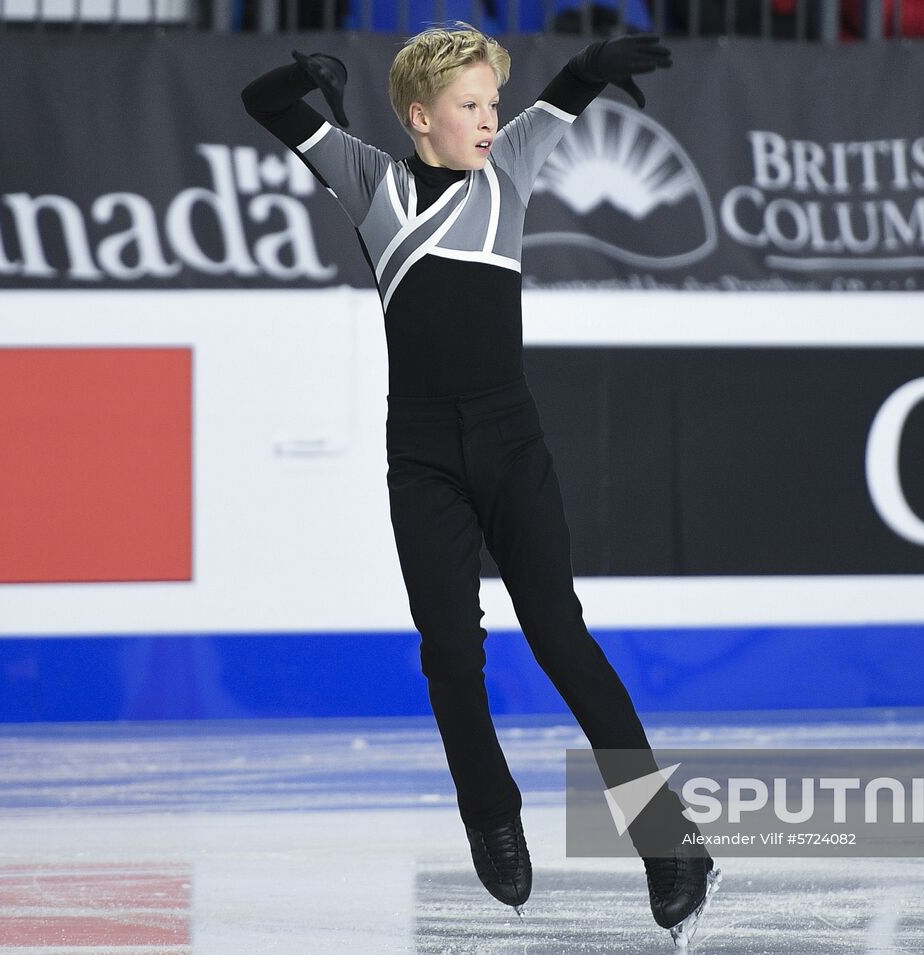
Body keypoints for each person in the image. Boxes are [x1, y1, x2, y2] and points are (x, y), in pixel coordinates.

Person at [241, 24, 719, 944]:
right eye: (470, 107)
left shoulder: (511, 172)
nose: (491, 120)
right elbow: (266, 106)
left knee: (561, 638)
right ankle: (490, 812)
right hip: (421, 457)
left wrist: (589, 67)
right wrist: (302, 75)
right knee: (452, 651)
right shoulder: (369, 180)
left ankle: (669, 840)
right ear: (420, 117)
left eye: (494, 104)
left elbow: (566, 98)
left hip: (510, 443)